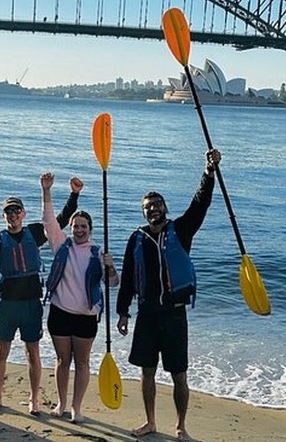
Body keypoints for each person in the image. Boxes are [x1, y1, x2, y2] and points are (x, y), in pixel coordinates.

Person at [116, 148, 221, 442]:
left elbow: (200, 204)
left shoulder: (181, 230)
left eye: (158, 204)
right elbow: (126, 279)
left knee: (179, 375)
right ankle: (150, 422)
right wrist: (123, 311)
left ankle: (180, 427)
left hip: (175, 314)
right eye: (149, 207)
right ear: (144, 212)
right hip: (147, 314)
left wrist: (208, 172)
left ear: (165, 207)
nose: (154, 209)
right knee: (147, 372)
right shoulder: (136, 238)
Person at [0, 175, 83, 415]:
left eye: (16, 211)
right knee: (1, 351)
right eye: (8, 212)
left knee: (33, 352)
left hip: (31, 304)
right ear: (4, 216)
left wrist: (73, 194)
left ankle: (34, 399)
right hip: (8, 305)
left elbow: (60, 220)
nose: (12, 215)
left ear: (23, 213)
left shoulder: (35, 232)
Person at [41, 172, 118, 423]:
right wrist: (46, 190)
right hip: (60, 313)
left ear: (90, 229)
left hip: (86, 316)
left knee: (82, 363)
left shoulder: (98, 252)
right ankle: (61, 404)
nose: (80, 230)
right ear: (71, 228)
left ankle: (77, 408)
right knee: (63, 361)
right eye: (76, 226)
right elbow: (49, 221)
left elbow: (112, 283)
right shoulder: (61, 244)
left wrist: (110, 267)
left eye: (84, 226)